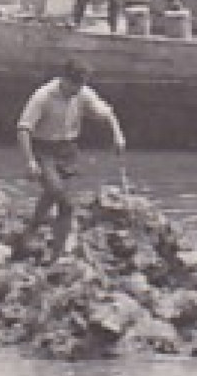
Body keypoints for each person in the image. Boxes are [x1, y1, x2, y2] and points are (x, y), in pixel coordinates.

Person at [13, 59, 127, 261]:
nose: (78, 90)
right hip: (43, 149)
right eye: (75, 85)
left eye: (81, 85)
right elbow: (24, 128)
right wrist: (29, 161)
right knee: (65, 202)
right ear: (64, 79)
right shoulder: (43, 96)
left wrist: (117, 135)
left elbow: (107, 112)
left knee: (51, 195)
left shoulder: (82, 92)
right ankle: (56, 256)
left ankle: (29, 233)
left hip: (68, 150)